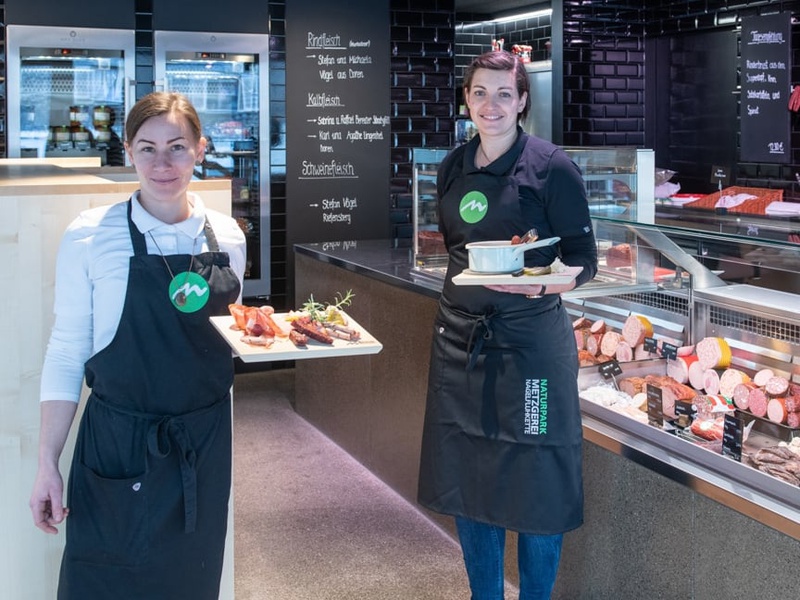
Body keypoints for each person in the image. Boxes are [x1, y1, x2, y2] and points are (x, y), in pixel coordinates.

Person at [29, 91, 247, 599]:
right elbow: (66, 353)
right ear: (128, 150)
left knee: (191, 583)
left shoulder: (228, 237)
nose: (162, 163)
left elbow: (224, 342)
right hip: (118, 444)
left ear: (200, 148)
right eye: (146, 148)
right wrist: (47, 464)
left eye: (176, 146)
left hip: (204, 447)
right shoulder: (90, 236)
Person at [417, 50, 598, 600]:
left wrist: (542, 284)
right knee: (470, 476)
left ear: (522, 101)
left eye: (503, 94)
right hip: (460, 342)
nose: (490, 105)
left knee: (538, 480)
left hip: (530, 347)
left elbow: (583, 258)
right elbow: (452, 249)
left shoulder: (551, 166)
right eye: (479, 93)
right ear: (466, 99)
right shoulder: (453, 165)